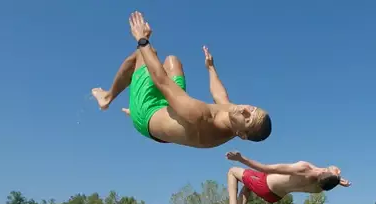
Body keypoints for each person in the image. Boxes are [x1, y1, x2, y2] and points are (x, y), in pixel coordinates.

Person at [92, 11, 272, 147]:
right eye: (252, 108)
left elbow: (161, 80)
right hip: (172, 114)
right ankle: (148, 106)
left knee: (145, 53)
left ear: (241, 135)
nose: (244, 110)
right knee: (172, 61)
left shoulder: (202, 116)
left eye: (247, 118)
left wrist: (142, 38)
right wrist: (210, 68)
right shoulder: (234, 117)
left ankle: (107, 98)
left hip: (146, 115)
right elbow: (221, 97)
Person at [222, 151, 351, 204]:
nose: (339, 170)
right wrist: (337, 181)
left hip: (264, 184)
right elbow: (325, 179)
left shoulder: (303, 169)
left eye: (337, 172)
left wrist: (241, 158)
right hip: (275, 197)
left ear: (324, 171)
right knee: (247, 186)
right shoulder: (319, 188)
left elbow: (266, 168)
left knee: (232, 172)